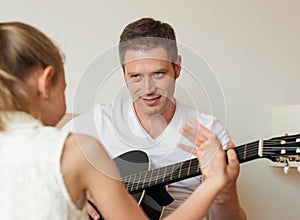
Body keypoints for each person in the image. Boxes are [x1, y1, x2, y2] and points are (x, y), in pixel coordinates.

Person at [0, 21, 238, 220]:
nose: (148, 89)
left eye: (158, 73)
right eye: (135, 76)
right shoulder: (80, 139)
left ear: (177, 68)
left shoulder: (209, 131)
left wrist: (224, 189)